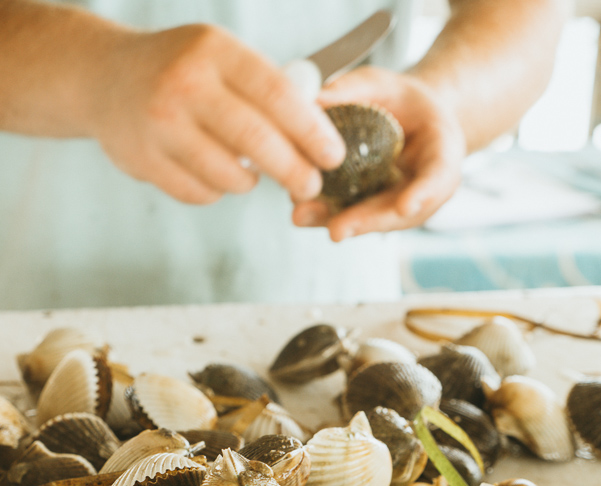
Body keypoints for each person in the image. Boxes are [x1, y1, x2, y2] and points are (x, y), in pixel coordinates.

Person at [0, 0, 569, 309]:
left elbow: (526, 12)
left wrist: (448, 100)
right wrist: (95, 71)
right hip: (25, 309)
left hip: (325, 311)